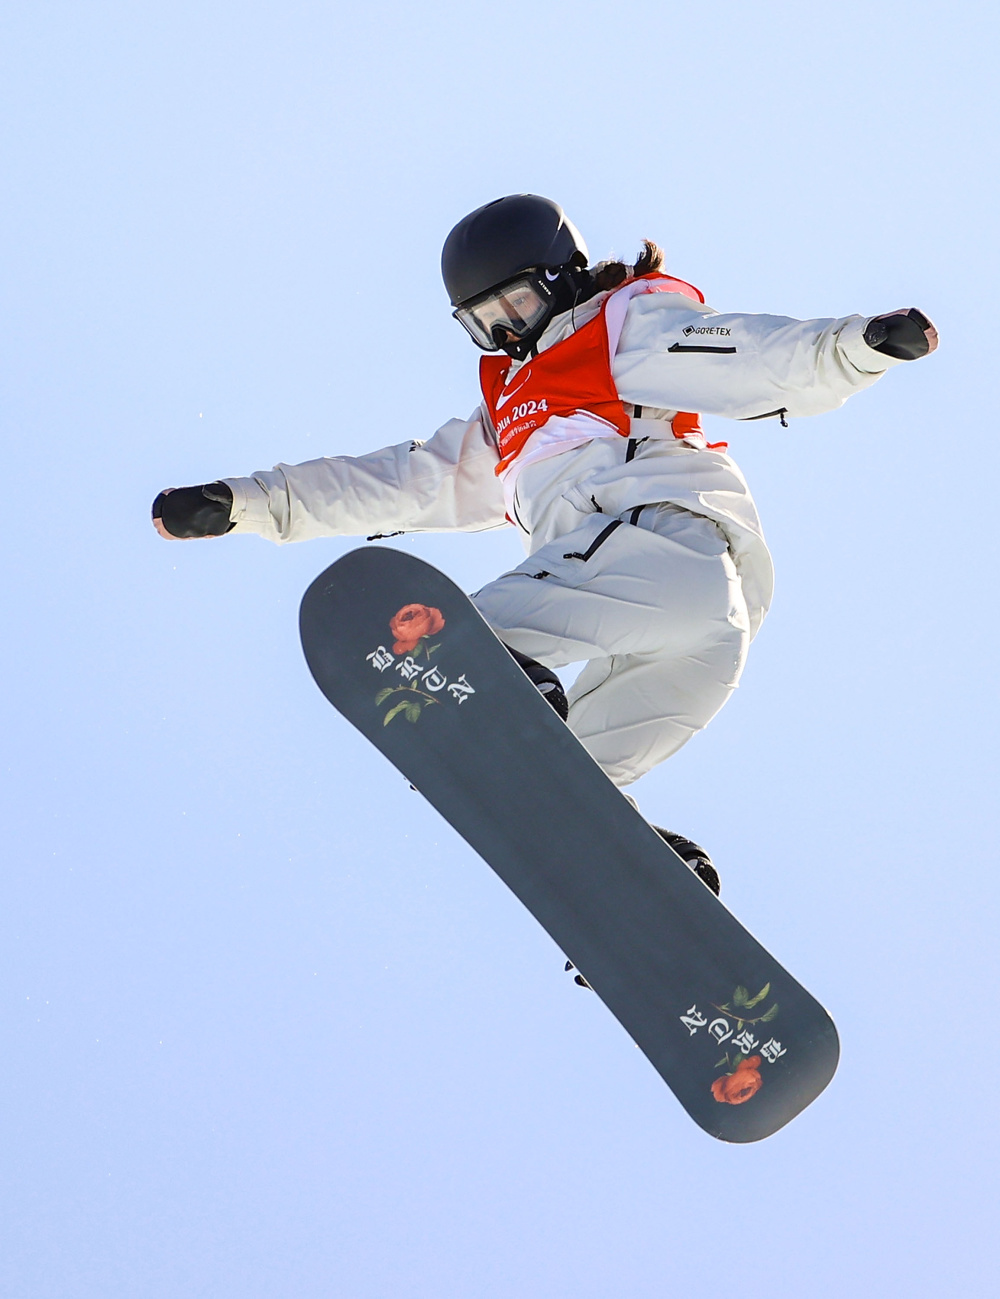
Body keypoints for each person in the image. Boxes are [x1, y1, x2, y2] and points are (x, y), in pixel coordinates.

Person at [153, 194, 938, 898]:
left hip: (663, 549)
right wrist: (248, 502)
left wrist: (857, 346)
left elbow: (744, 353)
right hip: (706, 629)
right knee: (563, 788)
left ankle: (494, 667)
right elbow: (394, 481)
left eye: (518, 305)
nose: (506, 333)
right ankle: (631, 882)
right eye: (483, 324)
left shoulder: (613, 329)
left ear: (562, 279)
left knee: (464, 637)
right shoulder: (507, 419)